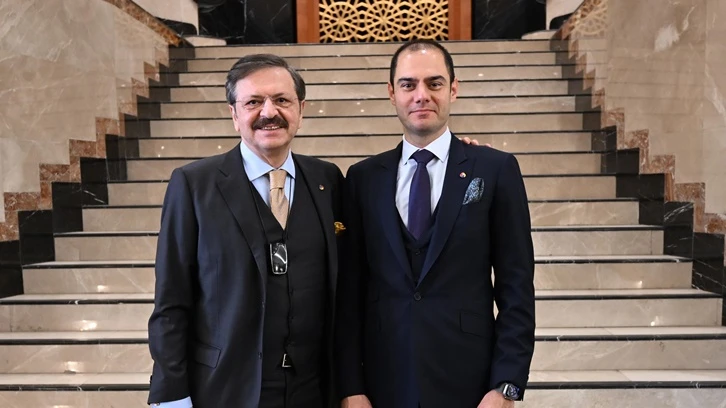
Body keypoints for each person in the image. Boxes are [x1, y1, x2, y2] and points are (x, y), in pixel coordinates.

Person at [335, 39, 536, 408]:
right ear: (392, 93)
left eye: (434, 83)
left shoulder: (495, 169)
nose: (421, 95)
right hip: (382, 382)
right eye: (408, 84)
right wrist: (350, 386)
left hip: (470, 382)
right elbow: (349, 292)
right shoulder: (363, 178)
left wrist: (505, 385)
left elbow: (516, 287)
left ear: (453, 89)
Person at [147, 54, 344, 408]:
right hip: (225, 389)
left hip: (312, 390)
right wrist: (172, 394)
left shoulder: (327, 180)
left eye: (282, 100)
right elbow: (171, 300)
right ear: (234, 115)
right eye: (253, 102)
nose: (269, 112)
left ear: (301, 109)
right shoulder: (194, 185)